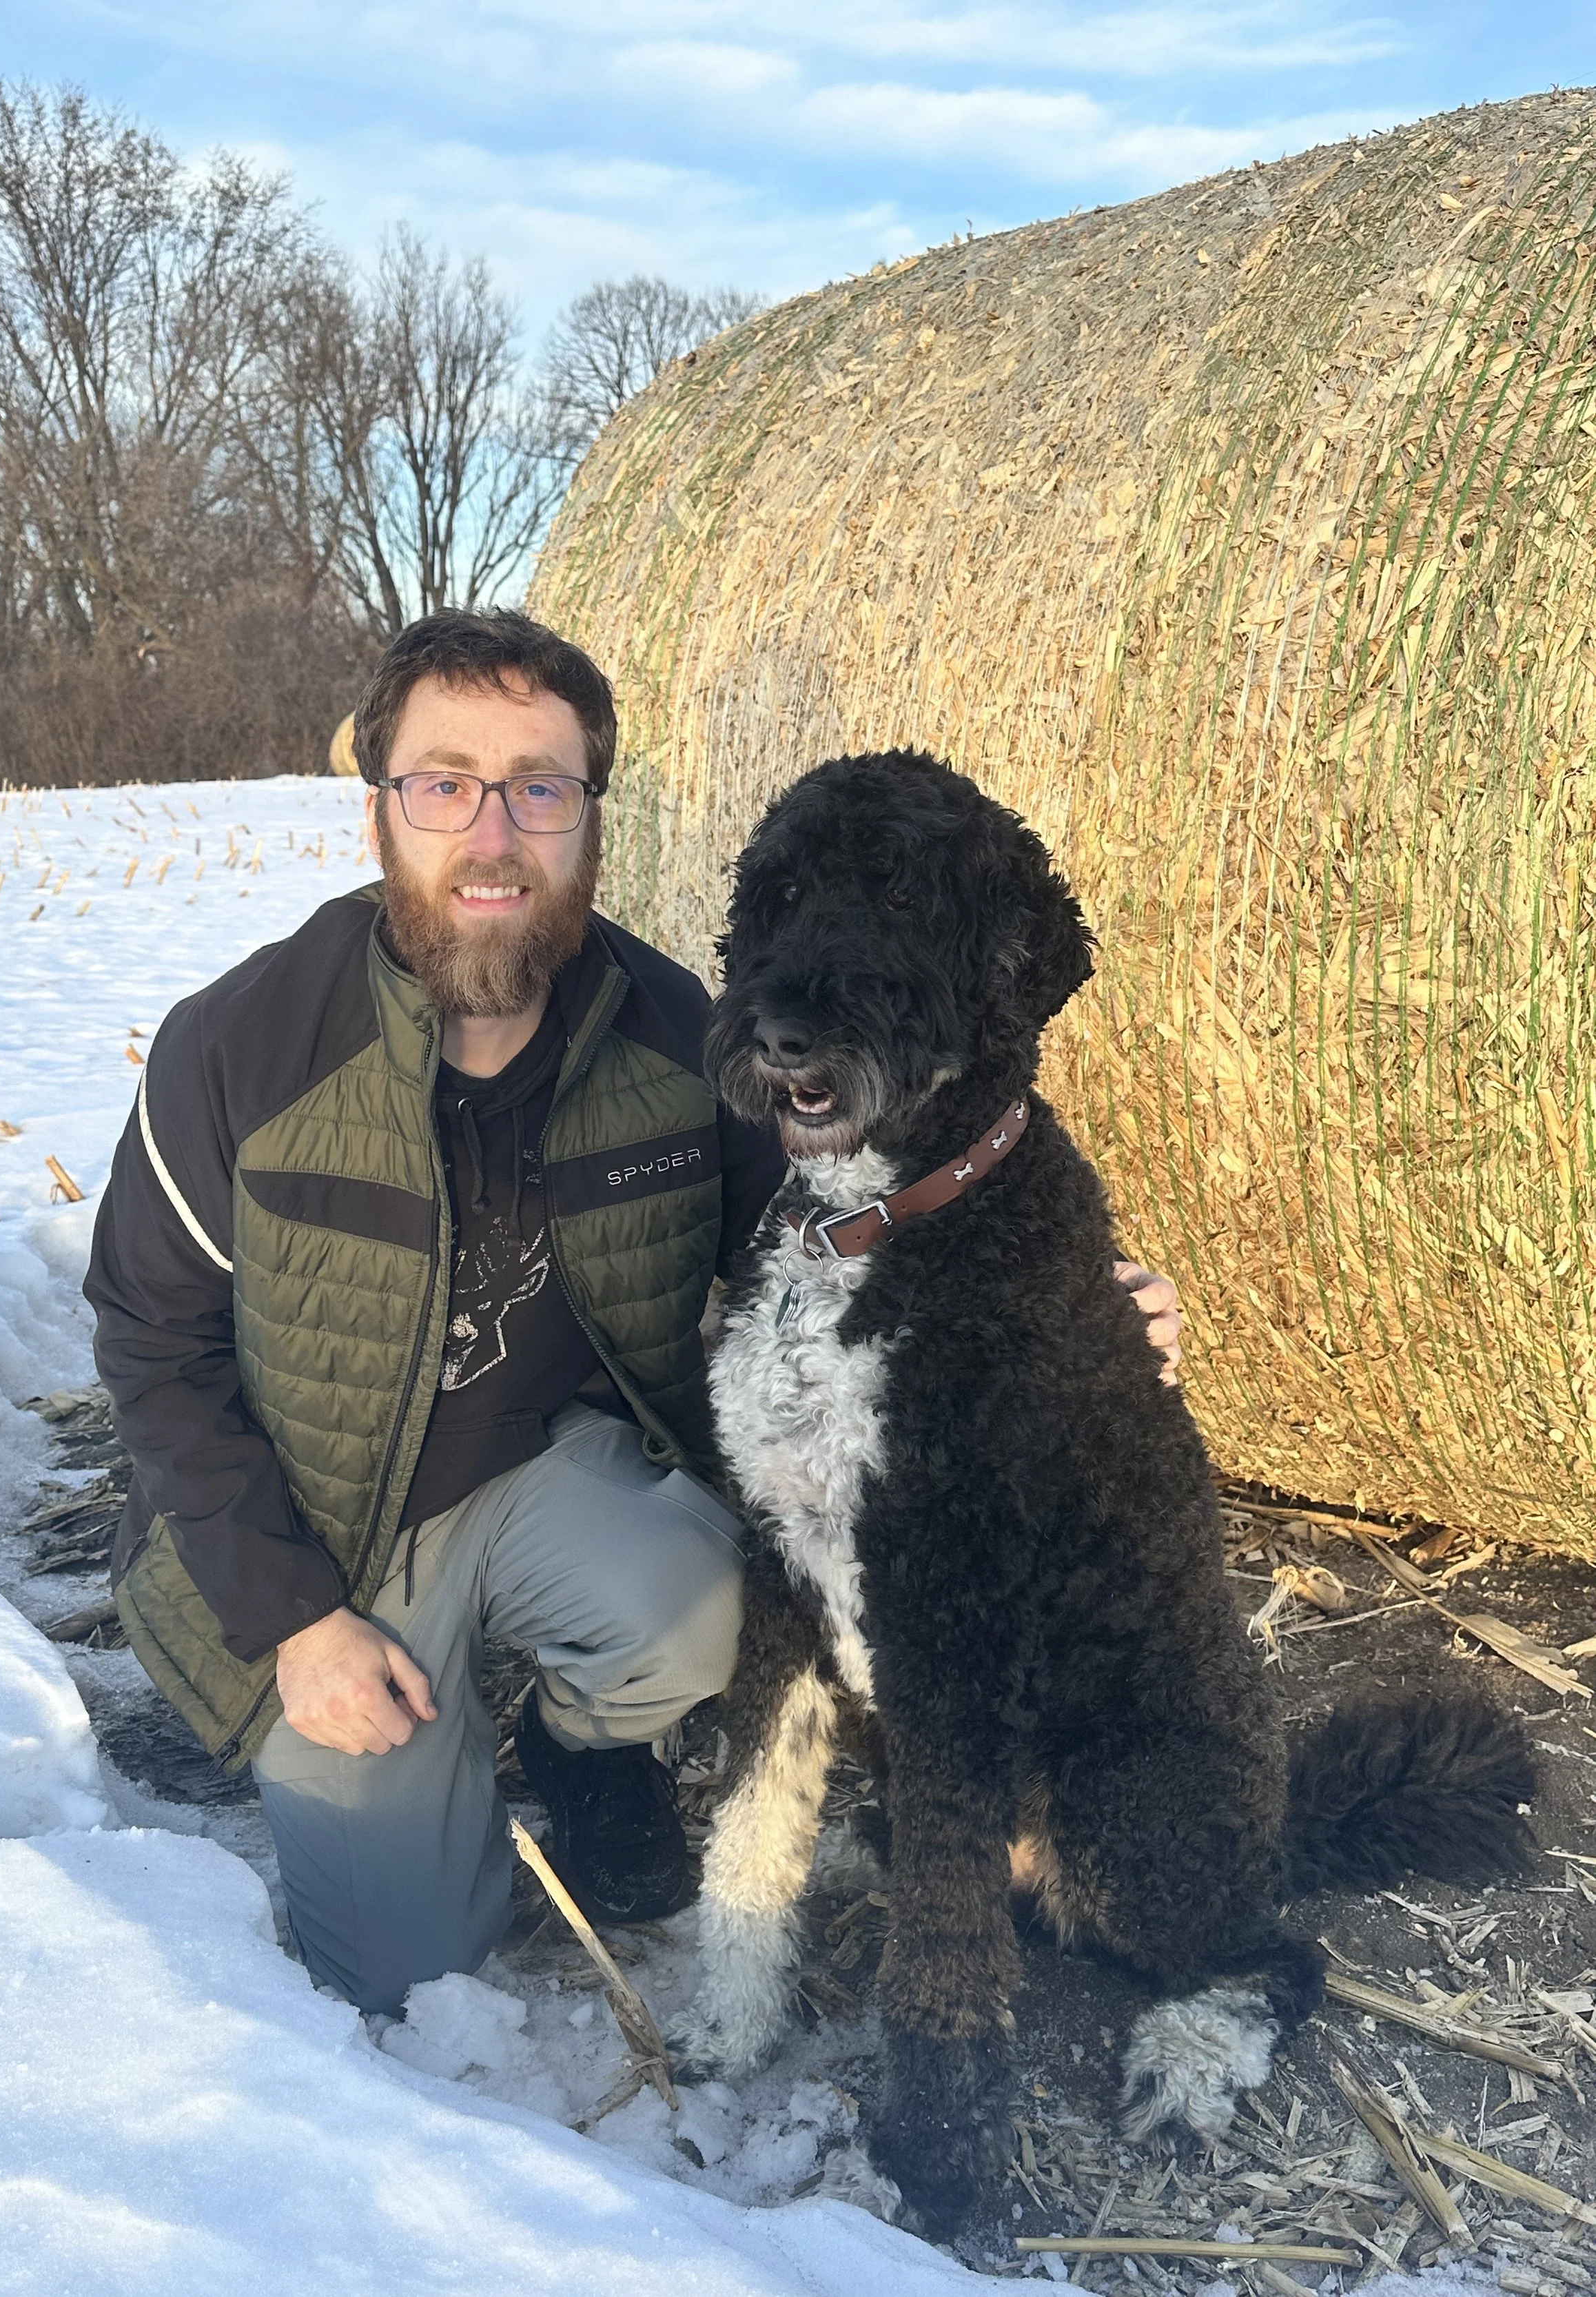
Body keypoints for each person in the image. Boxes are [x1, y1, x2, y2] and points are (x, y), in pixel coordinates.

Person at [84, 607, 1182, 2021]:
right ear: (379, 811)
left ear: (588, 817)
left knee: (707, 1605)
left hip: (548, 1481)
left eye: (539, 787)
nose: (492, 832)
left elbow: (833, 1228)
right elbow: (150, 1348)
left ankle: (582, 1735)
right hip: (314, 1531)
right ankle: (381, 1736)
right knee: (412, 1968)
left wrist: (1067, 1310)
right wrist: (296, 1624)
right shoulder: (236, 1047)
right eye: (444, 782)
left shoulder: (674, 1033)